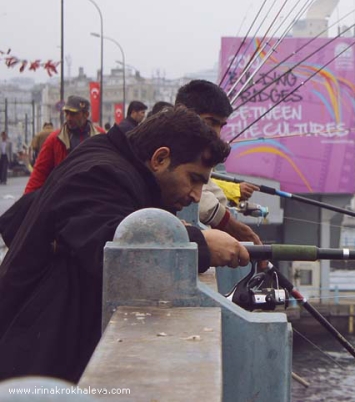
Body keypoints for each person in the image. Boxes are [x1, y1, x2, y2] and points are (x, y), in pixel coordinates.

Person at [0, 107, 250, 382]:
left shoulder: (106, 156)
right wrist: (200, 244)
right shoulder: (102, 174)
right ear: (160, 158)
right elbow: (118, 252)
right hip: (31, 361)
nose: (196, 196)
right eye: (194, 179)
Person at [174, 80, 261, 244]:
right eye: (210, 123)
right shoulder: (172, 147)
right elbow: (201, 201)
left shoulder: (198, 151)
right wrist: (233, 228)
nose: (217, 133)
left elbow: (209, 190)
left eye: (221, 126)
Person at [25, 96, 104, 194]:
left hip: (93, 193)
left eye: (73, 114)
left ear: (86, 115)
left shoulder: (100, 136)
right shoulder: (55, 139)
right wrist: (26, 199)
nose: (68, 118)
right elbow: (40, 172)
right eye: (67, 113)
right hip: (65, 194)